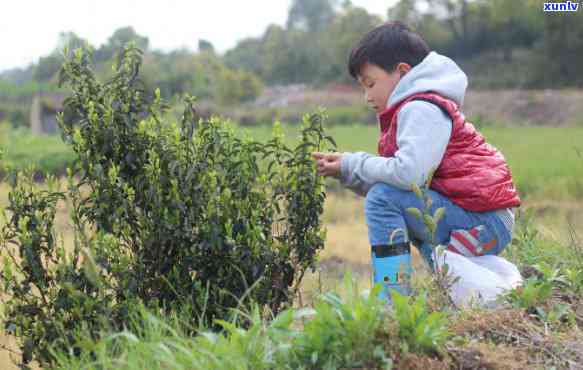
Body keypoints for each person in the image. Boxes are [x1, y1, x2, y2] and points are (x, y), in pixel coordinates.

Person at [311, 21, 520, 301]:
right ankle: (461, 293)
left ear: (402, 72)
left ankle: (392, 299)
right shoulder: (416, 106)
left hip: (483, 221)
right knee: (388, 199)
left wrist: (353, 163)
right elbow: (398, 185)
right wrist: (346, 171)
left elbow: (408, 175)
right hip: (481, 217)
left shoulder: (421, 108)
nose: (367, 96)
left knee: (383, 200)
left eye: (370, 84)